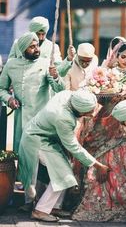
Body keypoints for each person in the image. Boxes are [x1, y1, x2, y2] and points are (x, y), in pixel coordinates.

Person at [72, 42, 126, 222]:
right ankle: (105, 201)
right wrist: (111, 100)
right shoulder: (107, 72)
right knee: (101, 152)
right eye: (123, 56)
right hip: (108, 118)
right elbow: (98, 98)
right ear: (116, 56)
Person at [18, 89, 109, 222]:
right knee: (63, 176)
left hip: (45, 138)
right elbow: (73, 147)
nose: (91, 114)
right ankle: (40, 211)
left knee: (64, 171)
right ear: (78, 110)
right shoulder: (63, 118)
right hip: (37, 141)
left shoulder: (68, 95)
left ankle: (53, 207)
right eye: (88, 112)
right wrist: (98, 165)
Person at [0, 32, 65, 152]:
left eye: (37, 45)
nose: (36, 49)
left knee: (43, 157)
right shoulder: (11, 65)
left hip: (42, 120)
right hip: (21, 120)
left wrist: (56, 77)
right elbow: (1, 89)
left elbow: (59, 89)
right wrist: (9, 99)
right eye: (32, 47)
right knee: (23, 156)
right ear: (23, 49)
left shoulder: (45, 63)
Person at [8, 16, 75, 77]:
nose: (40, 38)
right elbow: (9, 66)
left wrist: (69, 59)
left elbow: (60, 72)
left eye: (43, 34)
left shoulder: (52, 47)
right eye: (38, 34)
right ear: (31, 32)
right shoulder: (17, 44)